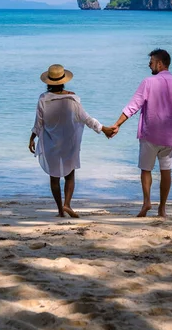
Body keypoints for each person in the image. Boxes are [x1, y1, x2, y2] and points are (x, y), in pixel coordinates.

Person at [111, 49, 172, 218]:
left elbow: (133, 106)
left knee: (146, 170)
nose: (149, 65)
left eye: (151, 62)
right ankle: (162, 209)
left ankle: (147, 201)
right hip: (171, 137)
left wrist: (117, 124)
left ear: (160, 64)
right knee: (166, 171)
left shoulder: (148, 82)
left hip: (150, 135)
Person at [29, 64, 115, 218]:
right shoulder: (73, 99)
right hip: (69, 143)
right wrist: (103, 129)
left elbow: (39, 122)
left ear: (48, 82)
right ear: (63, 81)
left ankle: (60, 211)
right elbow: (86, 119)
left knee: (54, 177)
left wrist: (32, 138)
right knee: (70, 175)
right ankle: (67, 204)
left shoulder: (43, 99)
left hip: (51, 142)